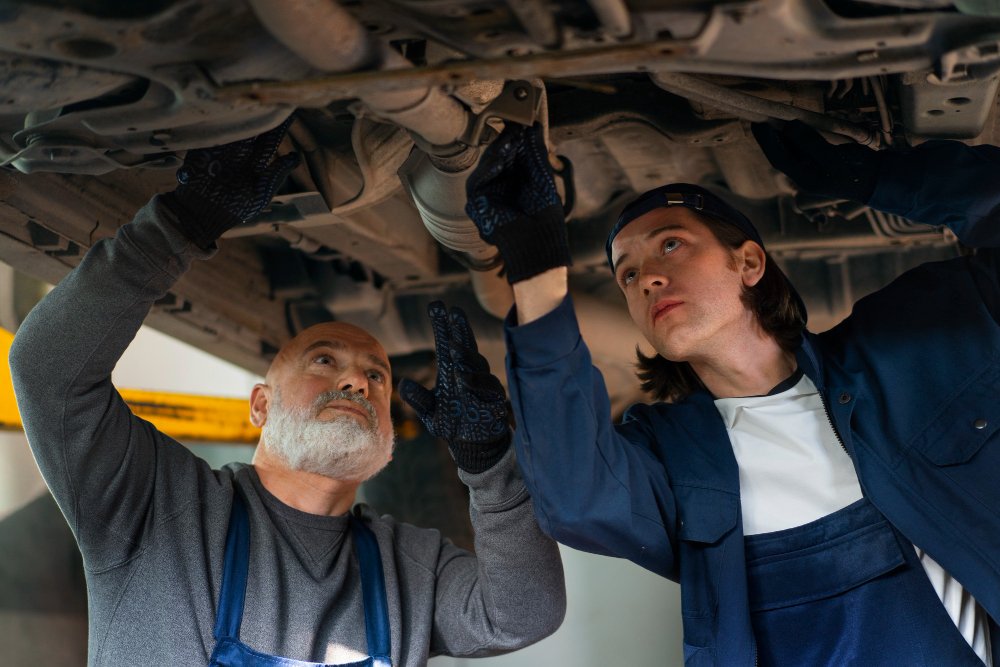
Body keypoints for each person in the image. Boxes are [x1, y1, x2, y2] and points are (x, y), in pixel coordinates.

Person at [8, 117, 565, 666]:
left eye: (376, 376)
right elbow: (48, 371)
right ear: (261, 405)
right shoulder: (156, 506)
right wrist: (180, 225)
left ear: (391, 429)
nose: (355, 381)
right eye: (324, 360)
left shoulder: (408, 570)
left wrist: (490, 464)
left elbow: (523, 614)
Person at [462, 119, 1000, 666]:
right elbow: (575, 499)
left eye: (671, 245)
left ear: (749, 262)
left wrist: (875, 177)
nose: (647, 278)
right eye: (626, 275)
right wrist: (536, 270)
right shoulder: (672, 457)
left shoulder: (907, 352)